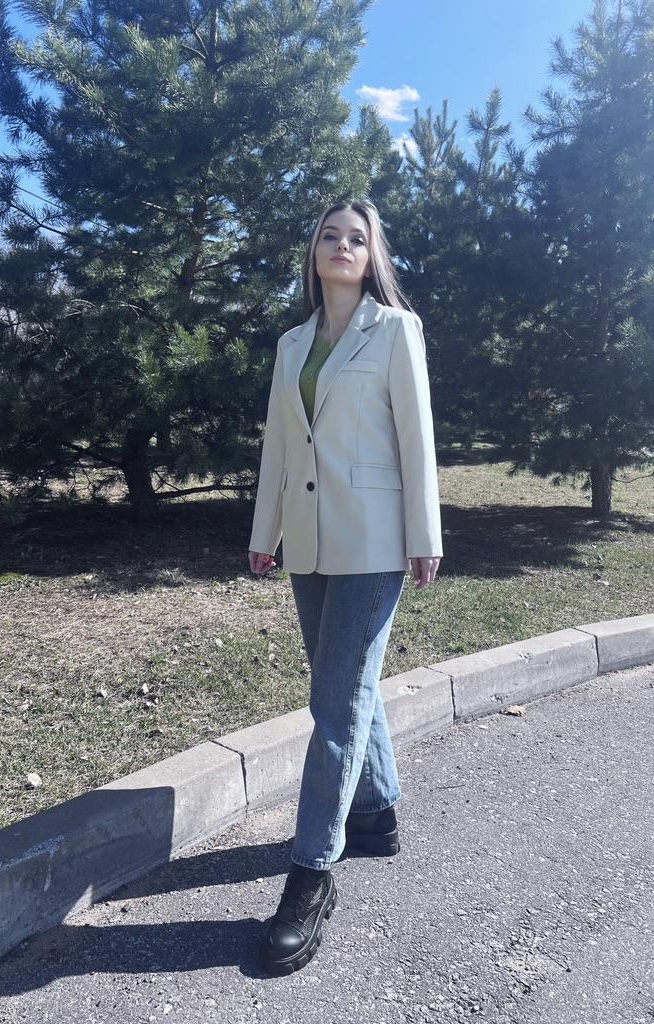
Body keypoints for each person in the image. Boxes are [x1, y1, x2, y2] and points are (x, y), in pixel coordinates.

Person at [247, 198, 443, 975]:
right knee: (348, 688)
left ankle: (311, 876)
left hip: (374, 539)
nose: (340, 245)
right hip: (309, 539)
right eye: (329, 235)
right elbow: (278, 443)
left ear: (371, 256)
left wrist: (425, 535)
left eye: (355, 238)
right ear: (314, 252)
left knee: (334, 704)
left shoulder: (395, 330)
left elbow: (416, 436)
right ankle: (376, 813)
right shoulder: (292, 343)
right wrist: (264, 531)